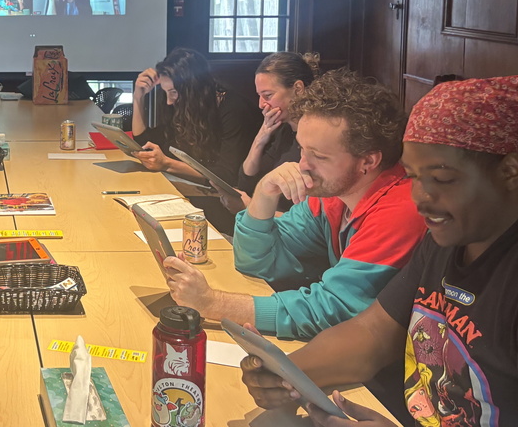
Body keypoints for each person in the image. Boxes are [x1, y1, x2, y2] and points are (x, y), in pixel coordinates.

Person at [240, 74, 518, 426]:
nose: (420, 198)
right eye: (412, 176)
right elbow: (374, 332)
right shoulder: (448, 240)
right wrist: (286, 373)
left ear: (511, 171)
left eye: (441, 180)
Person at [164, 69, 427, 339]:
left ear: (368, 162)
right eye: (302, 149)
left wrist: (213, 304)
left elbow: (330, 312)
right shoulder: (333, 195)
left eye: (319, 156)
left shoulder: (401, 210)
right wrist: (265, 193)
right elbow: (255, 263)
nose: (303, 165)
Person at [132, 47, 260, 234]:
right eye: (166, 92)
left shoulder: (233, 109)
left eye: (173, 92)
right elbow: (144, 140)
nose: (169, 101)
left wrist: (167, 164)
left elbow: (225, 175)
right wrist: (138, 96)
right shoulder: (185, 106)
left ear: (191, 88)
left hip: (228, 206)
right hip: (198, 194)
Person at [223, 52, 321, 214]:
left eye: (268, 95)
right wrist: (261, 137)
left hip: (289, 232)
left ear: (298, 89)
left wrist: (249, 207)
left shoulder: (317, 138)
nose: (261, 104)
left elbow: (310, 221)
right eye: (259, 96)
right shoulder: (283, 129)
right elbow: (246, 183)